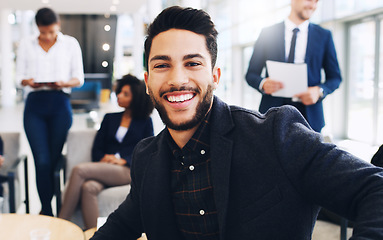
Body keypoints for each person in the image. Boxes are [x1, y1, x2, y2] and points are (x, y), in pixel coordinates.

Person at [91, 6, 383, 240]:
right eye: (162, 65)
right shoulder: (146, 157)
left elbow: (375, 189)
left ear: (215, 77)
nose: (177, 79)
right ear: (147, 82)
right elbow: (121, 226)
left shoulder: (275, 135)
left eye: (193, 63)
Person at [59, 74, 154, 229]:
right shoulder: (110, 118)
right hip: (105, 168)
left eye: (125, 94)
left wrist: (124, 160)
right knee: (88, 187)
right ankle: (93, 234)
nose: (119, 96)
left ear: (135, 97)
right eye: (119, 93)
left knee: (79, 170)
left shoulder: (145, 122)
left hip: (127, 170)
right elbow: (97, 148)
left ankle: (61, 224)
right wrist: (104, 157)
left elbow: (147, 149)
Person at [16, 7, 84, 216]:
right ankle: (46, 210)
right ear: (37, 28)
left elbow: (78, 78)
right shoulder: (26, 44)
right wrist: (28, 81)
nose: (48, 36)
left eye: (52, 32)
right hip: (35, 105)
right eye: (44, 32)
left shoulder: (70, 44)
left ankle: (58, 207)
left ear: (58, 26)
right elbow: (19, 77)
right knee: (42, 160)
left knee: (54, 161)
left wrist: (63, 82)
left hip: (60, 105)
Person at [245, 0, 341, 132]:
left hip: (310, 116)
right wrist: (263, 83)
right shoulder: (267, 33)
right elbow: (251, 74)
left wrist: (319, 91)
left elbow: (335, 78)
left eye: (316, 1)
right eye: (309, 0)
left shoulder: (324, 36)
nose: (312, 6)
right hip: (271, 114)